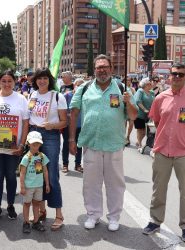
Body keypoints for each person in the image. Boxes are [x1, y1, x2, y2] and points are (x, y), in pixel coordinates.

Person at [142, 63, 185, 242]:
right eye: (174, 74)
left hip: (184, 153)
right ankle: (155, 221)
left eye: (181, 74)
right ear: (169, 77)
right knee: (158, 189)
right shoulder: (160, 98)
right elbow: (157, 121)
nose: (177, 77)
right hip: (162, 150)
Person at [69, 54, 137, 231]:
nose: (102, 70)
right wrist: (70, 138)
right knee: (91, 183)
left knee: (115, 183)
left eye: (105, 67)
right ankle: (93, 215)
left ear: (111, 69)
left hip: (114, 144)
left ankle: (114, 217)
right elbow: (74, 113)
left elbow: (133, 116)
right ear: (94, 70)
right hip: (91, 143)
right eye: (99, 67)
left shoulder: (122, 89)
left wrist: (128, 103)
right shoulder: (84, 88)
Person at [0, 70, 29, 222]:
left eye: (10, 81)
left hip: (13, 146)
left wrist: (22, 144)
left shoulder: (21, 99)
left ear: (14, 82)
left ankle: (10, 205)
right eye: (4, 81)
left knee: (10, 176)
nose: (7, 84)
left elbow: (26, 123)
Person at [28, 67, 67, 231]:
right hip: (33, 134)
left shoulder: (58, 96)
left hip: (50, 135)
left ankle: (59, 215)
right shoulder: (32, 95)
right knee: (37, 174)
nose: (41, 81)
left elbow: (64, 121)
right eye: (39, 78)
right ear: (35, 80)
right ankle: (41, 211)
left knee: (51, 175)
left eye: (45, 78)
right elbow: (28, 115)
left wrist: (52, 125)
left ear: (49, 80)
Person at [20, 131, 50, 233]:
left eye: (37, 144)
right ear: (28, 143)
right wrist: (22, 186)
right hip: (28, 186)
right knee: (27, 204)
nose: (35, 146)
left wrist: (47, 184)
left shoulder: (41, 157)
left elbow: (45, 171)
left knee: (36, 204)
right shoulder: (26, 158)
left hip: (39, 186)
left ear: (40, 144)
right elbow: (22, 173)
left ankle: (36, 222)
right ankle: (26, 222)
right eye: (33, 144)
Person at [61, 78, 84, 173]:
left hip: (80, 125)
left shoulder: (86, 96)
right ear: (74, 85)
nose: (80, 87)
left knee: (79, 145)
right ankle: (65, 165)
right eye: (78, 85)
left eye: (82, 85)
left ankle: (77, 164)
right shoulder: (66, 95)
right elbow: (61, 109)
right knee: (66, 144)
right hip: (68, 125)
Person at [133, 77, 155, 151]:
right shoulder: (140, 91)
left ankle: (138, 141)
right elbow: (138, 101)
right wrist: (144, 109)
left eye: (150, 83)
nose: (151, 84)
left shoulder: (152, 92)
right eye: (149, 83)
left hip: (149, 115)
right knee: (141, 130)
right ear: (145, 84)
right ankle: (139, 144)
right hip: (139, 114)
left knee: (147, 131)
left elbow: (154, 102)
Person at [124, 77, 136, 146]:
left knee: (131, 124)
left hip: (131, 108)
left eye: (129, 80)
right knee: (124, 124)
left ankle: (128, 136)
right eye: (127, 80)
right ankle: (124, 137)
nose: (128, 81)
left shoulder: (132, 89)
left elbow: (135, 98)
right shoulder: (123, 87)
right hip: (125, 108)